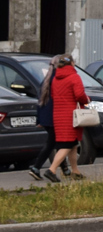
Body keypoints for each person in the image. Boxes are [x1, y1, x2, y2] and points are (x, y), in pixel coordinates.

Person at [44, 54, 89, 182]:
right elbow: (80, 95)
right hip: (71, 116)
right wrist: (87, 100)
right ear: (73, 64)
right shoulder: (74, 77)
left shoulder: (55, 79)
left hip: (58, 115)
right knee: (67, 144)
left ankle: (75, 171)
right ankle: (51, 170)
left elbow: (53, 96)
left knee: (73, 144)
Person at [28, 65, 57, 180]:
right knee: (52, 143)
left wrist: (39, 120)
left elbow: (39, 102)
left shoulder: (46, 80)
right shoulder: (56, 79)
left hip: (45, 118)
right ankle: (36, 167)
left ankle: (66, 169)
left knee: (55, 143)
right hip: (54, 117)